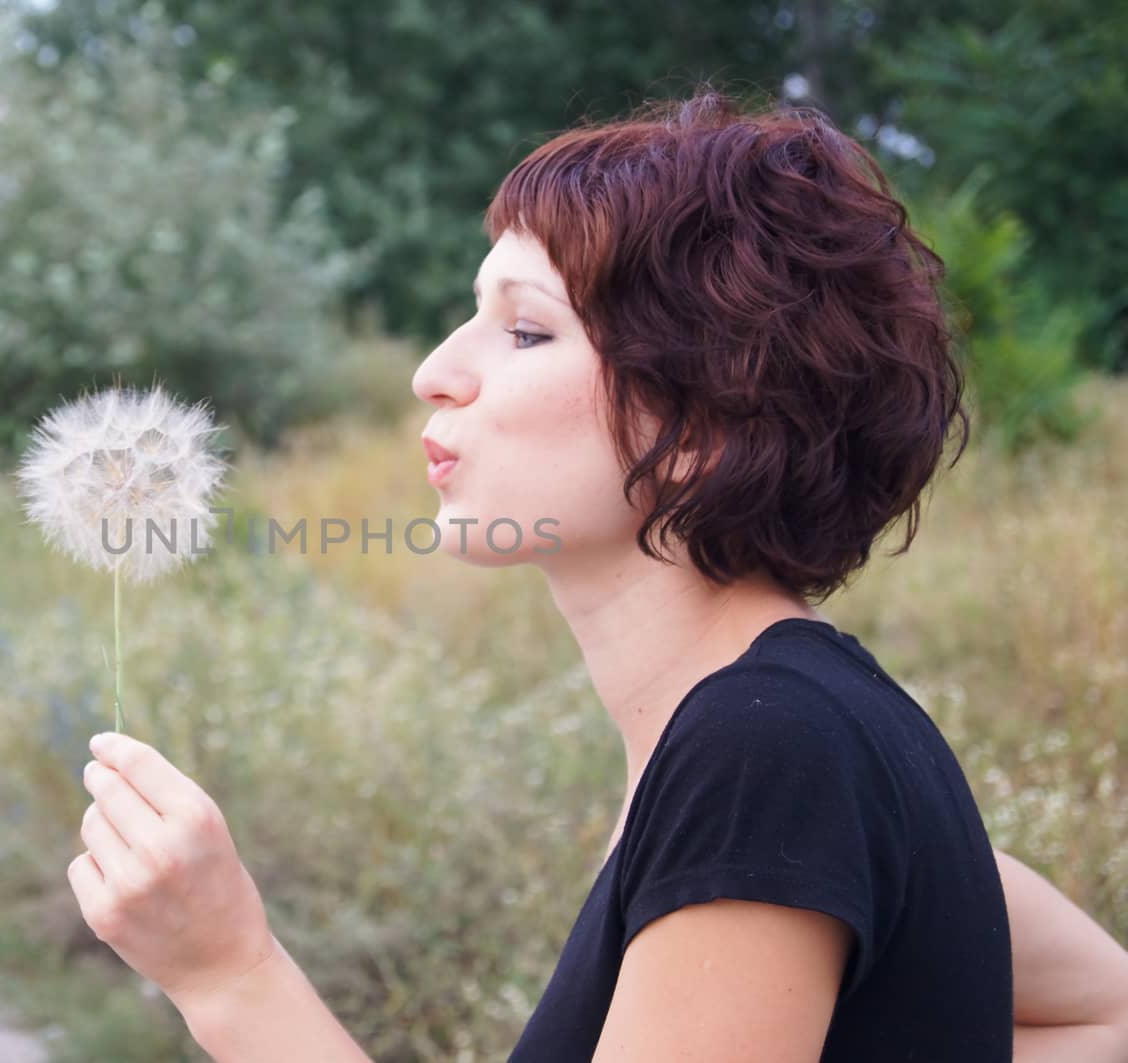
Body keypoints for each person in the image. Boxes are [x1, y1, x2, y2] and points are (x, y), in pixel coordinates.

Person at [66, 88, 1128, 1061]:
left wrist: (230, 974)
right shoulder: (792, 744)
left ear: (712, 417)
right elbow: (1099, 1017)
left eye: (526, 329)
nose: (435, 371)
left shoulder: (765, 753)